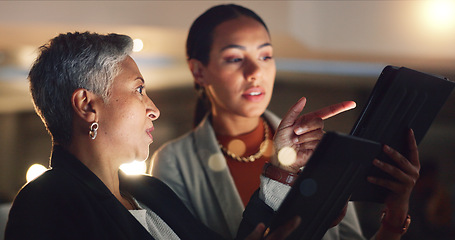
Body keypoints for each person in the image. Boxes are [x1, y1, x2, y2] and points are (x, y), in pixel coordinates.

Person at [3, 31, 319, 240]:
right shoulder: (46, 200)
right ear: (87, 105)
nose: (153, 109)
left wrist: (283, 165)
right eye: (139, 90)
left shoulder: (149, 191)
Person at [150, 4, 420, 240]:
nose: (255, 72)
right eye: (234, 58)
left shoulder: (317, 149)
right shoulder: (173, 162)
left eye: (265, 55)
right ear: (198, 71)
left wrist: (395, 213)